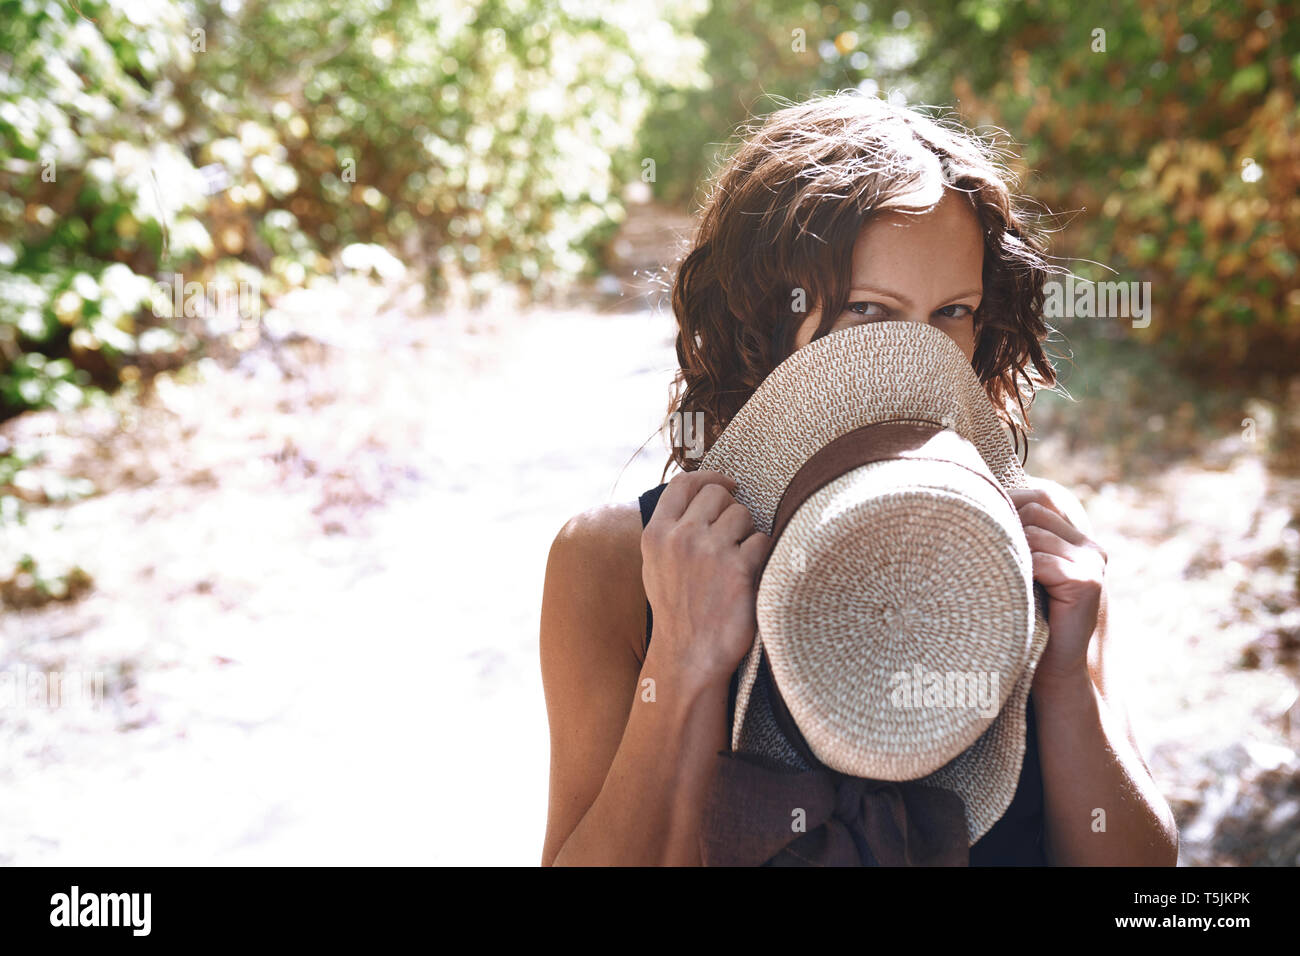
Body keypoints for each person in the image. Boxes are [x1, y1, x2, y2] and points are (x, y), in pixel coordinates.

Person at [539, 91, 1178, 866]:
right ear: (761, 313)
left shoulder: (1030, 547)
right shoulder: (613, 561)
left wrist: (1067, 677)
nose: (919, 353)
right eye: (870, 310)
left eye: (953, 311)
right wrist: (680, 663)